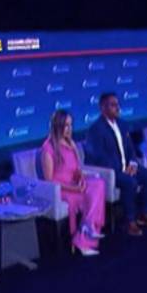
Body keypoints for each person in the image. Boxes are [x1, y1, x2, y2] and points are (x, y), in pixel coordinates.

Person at [85, 92, 147, 237]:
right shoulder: (95, 130)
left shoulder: (122, 124)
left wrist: (133, 163)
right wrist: (121, 170)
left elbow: (130, 149)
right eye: (113, 105)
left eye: (118, 104)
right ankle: (129, 221)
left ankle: (145, 213)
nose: (118, 108)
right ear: (103, 108)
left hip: (127, 167)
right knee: (130, 182)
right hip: (111, 172)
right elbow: (98, 158)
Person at [41, 110, 106, 256]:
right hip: (61, 189)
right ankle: (83, 240)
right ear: (57, 126)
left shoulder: (71, 143)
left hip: (74, 184)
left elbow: (76, 169)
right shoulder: (48, 148)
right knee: (85, 196)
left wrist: (80, 177)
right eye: (65, 125)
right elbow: (49, 181)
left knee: (98, 184)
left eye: (71, 125)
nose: (69, 129)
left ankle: (87, 227)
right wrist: (73, 188)